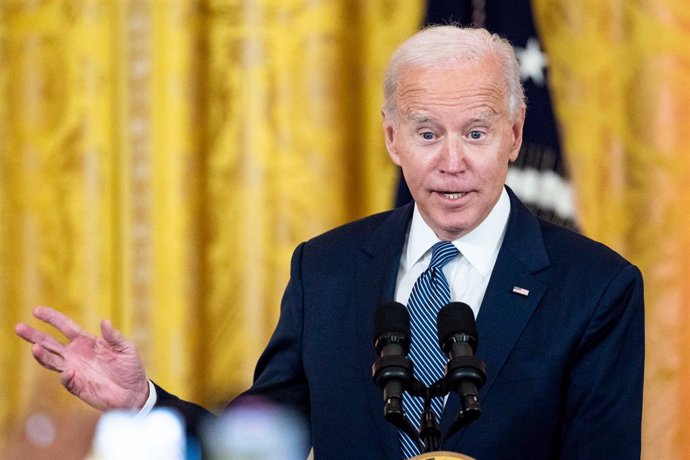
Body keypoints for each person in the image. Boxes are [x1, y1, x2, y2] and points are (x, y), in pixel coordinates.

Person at [15, 25, 644, 459]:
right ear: (393, 139)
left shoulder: (594, 289)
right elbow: (257, 444)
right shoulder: (328, 270)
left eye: (475, 134)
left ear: (514, 132)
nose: (452, 162)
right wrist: (141, 403)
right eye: (427, 134)